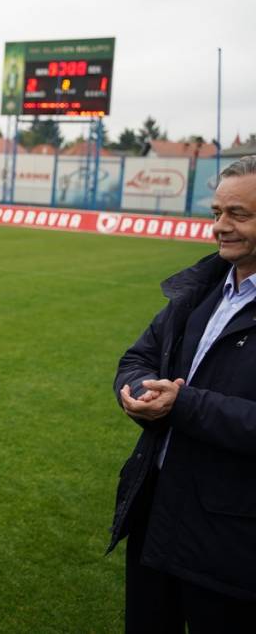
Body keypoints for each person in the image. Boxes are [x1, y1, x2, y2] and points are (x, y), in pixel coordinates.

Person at [109, 155, 256, 631]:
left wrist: (184, 404)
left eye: (239, 214)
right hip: (158, 510)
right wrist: (137, 392)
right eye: (216, 212)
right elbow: (138, 357)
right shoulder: (204, 288)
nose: (221, 227)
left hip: (233, 535)